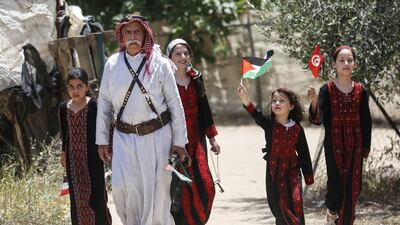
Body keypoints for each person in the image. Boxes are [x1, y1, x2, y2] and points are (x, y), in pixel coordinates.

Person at [96, 14, 188, 225]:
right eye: (128, 32)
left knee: (158, 194)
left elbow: (175, 104)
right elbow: (104, 105)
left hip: (158, 138)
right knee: (121, 189)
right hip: (123, 139)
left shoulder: (160, 64)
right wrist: (102, 140)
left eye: (137, 31)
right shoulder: (112, 64)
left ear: (145, 34)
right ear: (122, 36)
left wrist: (179, 142)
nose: (132, 36)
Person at [308, 45, 372, 225]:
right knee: (336, 187)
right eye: (341, 60)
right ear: (334, 65)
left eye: (349, 60)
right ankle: (332, 210)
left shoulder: (361, 90)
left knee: (353, 188)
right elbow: (317, 119)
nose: (346, 63)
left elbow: (366, 121)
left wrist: (366, 147)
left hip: (356, 147)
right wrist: (313, 102)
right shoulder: (325, 90)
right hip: (334, 147)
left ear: (355, 65)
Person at [237, 84, 314, 225]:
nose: (277, 103)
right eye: (274, 101)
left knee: (296, 203)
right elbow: (256, 115)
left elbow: (304, 153)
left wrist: (308, 175)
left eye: (281, 101)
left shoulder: (297, 129)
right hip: (274, 173)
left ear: (291, 106)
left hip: (293, 173)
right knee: (279, 207)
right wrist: (245, 99)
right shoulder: (269, 124)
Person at [166, 38, 221, 225]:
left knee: (206, 185)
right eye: (178, 53)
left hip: (196, 140)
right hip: (174, 142)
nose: (183, 57)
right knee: (178, 186)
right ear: (169, 57)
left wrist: (212, 137)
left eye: (185, 53)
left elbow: (204, 107)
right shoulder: (165, 79)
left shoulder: (196, 77)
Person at [59, 67, 111, 225]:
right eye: (71, 87)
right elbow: (64, 134)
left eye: (80, 86)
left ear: (87, 87)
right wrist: (63, 153)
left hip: (93, 160)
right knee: (77, 198)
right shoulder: (63, 108)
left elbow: (103, 130)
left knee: (97, 198)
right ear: (67, 87)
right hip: (73, 162)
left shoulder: (94, 106)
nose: (75, 91)